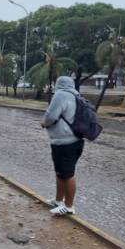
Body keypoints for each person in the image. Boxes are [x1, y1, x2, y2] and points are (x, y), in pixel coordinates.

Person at [41, 76, 84, 216]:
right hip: (76, 141)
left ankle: (69, 206)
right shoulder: (76, 95)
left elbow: (50, 116)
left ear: (59, 84)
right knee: (61, 173)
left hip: (64, 142)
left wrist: (43, 123)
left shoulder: (60, 95)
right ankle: (58, 201)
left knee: (68, 174)